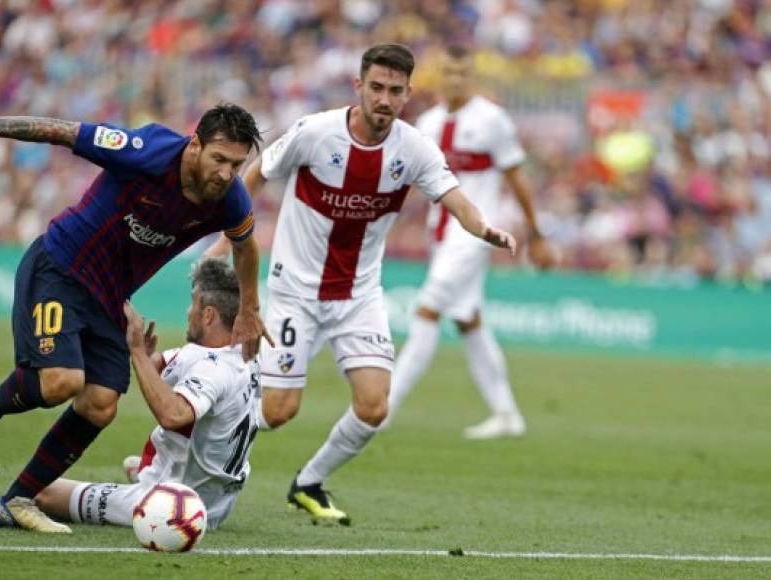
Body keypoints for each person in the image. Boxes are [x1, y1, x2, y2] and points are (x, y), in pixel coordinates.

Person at [208, 44, 516, 525]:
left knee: (374, 407)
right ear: (359, 86)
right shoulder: (315, 132)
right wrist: (224, 243)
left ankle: (308, 482)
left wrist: (483, 228)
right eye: (376, 87)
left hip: (358, 297)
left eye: (395, 90)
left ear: (409, 93)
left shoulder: (413, 149)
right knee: (278, 410)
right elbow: (258, 175)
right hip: (295, 294)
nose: (385, 98)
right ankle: (182, 446)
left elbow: (455, 197)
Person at [0, 104, 272, 533]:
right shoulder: (145, 151)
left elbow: (245, 246)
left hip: (110, 297)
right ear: (194, 146)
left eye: (237, 164)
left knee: (100, 404)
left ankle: (16, 499)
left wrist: (251, 308)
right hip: (60, 266)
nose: (226, 173)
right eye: (218, 159)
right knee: (62, 381)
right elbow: (62, 130)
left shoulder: (230, 198)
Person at [386, 45, 553, 439]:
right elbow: (409, 182)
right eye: (449, 72)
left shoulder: (492, 120)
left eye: (463, 72)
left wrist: (537, 235)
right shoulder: (427, 122)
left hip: (475, 234)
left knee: (427, 310)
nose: (456, 79)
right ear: (439, 76)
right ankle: (507, 413)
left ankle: (383, 407)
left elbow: (516, 178)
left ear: (472, 75)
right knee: (467, 319)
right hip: (439, 233)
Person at [35, 259, 260, 531]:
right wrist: (142, 354)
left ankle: (146, 479)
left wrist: (138, 352)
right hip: (217, 503)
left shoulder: (212, 369)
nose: (188, 312)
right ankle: (145, 469)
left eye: (193, 304)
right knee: (145, 458)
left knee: (41, 492)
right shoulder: (240, 357)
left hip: (175, 505)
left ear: (209, 315)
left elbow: (173, 415)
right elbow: (157, 368)